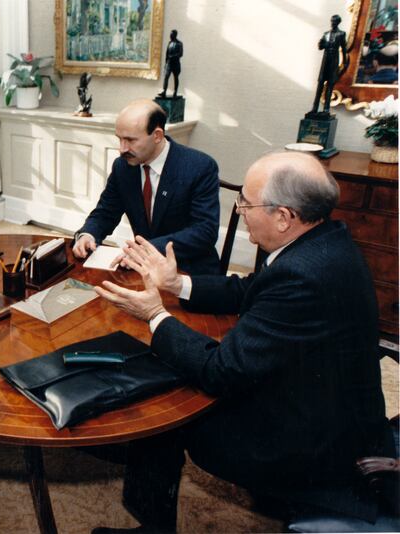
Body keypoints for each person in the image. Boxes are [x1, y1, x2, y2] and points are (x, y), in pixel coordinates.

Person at [91, 152, 393, 533]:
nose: (239, 210)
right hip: (322, 406)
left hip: (310, 444)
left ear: (283, 217)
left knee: (168, 409)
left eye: (246, 204)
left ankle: (153, 529)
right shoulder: (322, 241)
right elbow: (252, 289)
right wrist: (178, 284)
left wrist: (155, 315)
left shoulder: (302, 276)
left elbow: (220, 370)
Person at [72, 99, 221, 275]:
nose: (122, 149)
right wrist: (88, 234)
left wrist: (145, 251)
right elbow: (105, 212)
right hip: (141, 269)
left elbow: (204, 232)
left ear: (157, 135)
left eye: (130, 140)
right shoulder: (123, 167)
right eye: (119, 139)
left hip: (188, 269)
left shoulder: (199, 167)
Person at [310, 14, 349, 115]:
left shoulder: (341, 34)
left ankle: (326, 109)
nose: (332, 23)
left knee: (330, 84)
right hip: (325, 59)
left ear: (338, 22)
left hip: (334, 59)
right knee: (320, 83)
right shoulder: (326, 34)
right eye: (332, 21)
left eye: (334, 21)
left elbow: (344, 48)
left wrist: (345, 61)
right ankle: (314, 108)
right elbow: (320, 47)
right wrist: (321, 44)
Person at [157, 30, 183, 98]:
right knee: (166, 77)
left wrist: (173, 56)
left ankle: (175, 92)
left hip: (176, 63)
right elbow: (167, 53)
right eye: (170, 34)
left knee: (176, 77)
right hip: (169, 63)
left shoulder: (179, 43)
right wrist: (166, 63)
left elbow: (180, 54)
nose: (170, 36)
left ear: (175, 35)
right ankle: (164, 91)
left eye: (171, 35)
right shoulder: (169, 43)